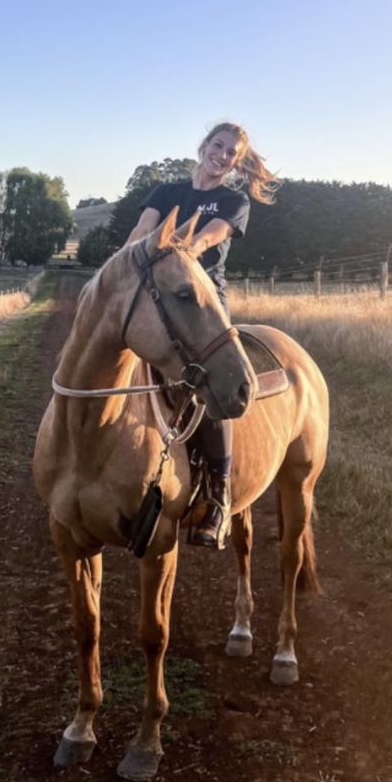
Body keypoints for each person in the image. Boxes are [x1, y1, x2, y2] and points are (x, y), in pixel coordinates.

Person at [125, 122, 278, 548]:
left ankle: (220, 495)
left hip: (205, 305)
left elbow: (209, 239)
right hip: (158, 299)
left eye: (232, 152)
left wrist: (178, 253)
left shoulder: (232, 201)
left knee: (213, 384)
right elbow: (140, 236)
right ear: (203, 146)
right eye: (218, 145)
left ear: (236, 163)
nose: (223, 155)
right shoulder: (166, 193)